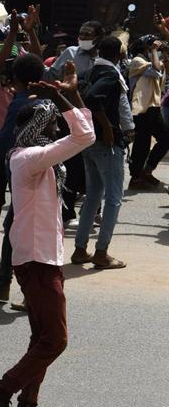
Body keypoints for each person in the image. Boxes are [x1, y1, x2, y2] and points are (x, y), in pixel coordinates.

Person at [0, 82, 93, 407]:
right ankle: (0, 392)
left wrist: (71, 95)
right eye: (51, 125)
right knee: (55, 340)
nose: (57, 129)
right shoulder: (28, 158)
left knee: (41, 338)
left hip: (43, 256)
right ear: (36, 129)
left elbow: (79, 131)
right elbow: (84, 136)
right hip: (36, 260)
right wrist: (63, 98)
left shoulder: (38, 160)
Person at [0, 50, 46, 304]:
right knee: (20, 226)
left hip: (26, 173)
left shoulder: (20, 102)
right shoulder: (47, 99)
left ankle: (26, 291)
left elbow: (3, 141)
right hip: (45, 173)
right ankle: (4, 282)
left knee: (20, 229)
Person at [71, 36, 129, 270]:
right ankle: (101, 252)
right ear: (119, 53)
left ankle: (80, 249)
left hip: (91, 142)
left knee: (94, 195)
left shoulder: (92, 70)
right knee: (114, 199)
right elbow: (93, 99)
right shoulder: (109, 74)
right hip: (106, 144)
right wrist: (106, 127)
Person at [126, 33, 166, 189]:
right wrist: (155, 51)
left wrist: (163, 53)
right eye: (152, 46)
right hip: (141, 109)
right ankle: (136, 177)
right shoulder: (137, 61)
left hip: (153, 107)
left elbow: (162, 69)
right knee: (142, 143)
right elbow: (156, 69)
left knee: (165, 138)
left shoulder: (150, 61)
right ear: (145, 47)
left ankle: (147, 170)